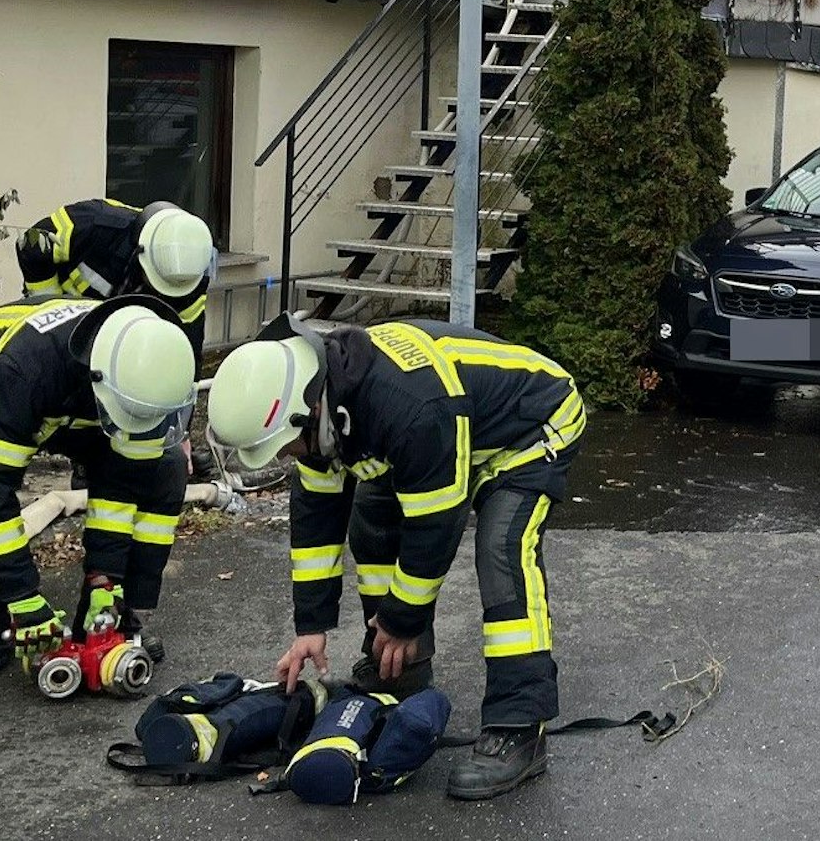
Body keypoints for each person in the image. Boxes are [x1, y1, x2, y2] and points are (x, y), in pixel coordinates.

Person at [208, 314, 587, 801]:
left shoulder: (409, 408)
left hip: (530, 427)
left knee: (502, 551)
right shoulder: (322, 400)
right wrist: (311, 626)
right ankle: (398, 667)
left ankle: (519, 725)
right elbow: (317, 524)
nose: (284, 457)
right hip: (451, 428)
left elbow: (435, 525)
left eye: (284, 446)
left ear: (309, 410)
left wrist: (402, 618)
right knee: (372, 518)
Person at [0, 295, 196, 675]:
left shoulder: (150, 369)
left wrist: (105, 582)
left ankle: (115, 619)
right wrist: (23, 597)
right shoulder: (23, 371)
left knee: (165, 469)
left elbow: (123, 489)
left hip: (74, 395)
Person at [17, 199, 216, 354]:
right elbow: (32, 243)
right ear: (140, 250)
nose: (157, 288)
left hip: (114, 348)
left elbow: (188, 339)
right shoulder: (95, 224)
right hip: (56, 328)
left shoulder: (188, 277)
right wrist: (49, 306)